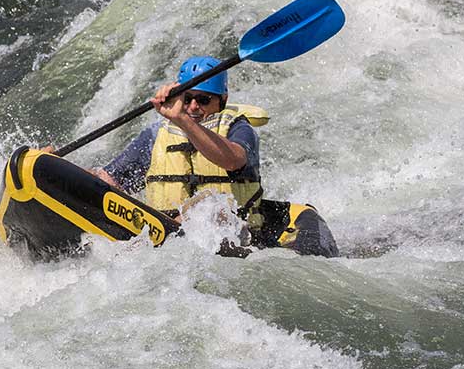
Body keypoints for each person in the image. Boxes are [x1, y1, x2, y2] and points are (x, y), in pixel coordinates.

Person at [92, 56, 338, 256]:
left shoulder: (239, 129)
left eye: (203, 99)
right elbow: (106, 181)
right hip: (167, 231)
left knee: (208, 206)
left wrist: (183, 120)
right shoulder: (156, 136)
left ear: (222, 101)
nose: (193, 107)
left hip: (240, 236)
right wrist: (54, 165)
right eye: (187, 99)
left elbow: (232, 160)